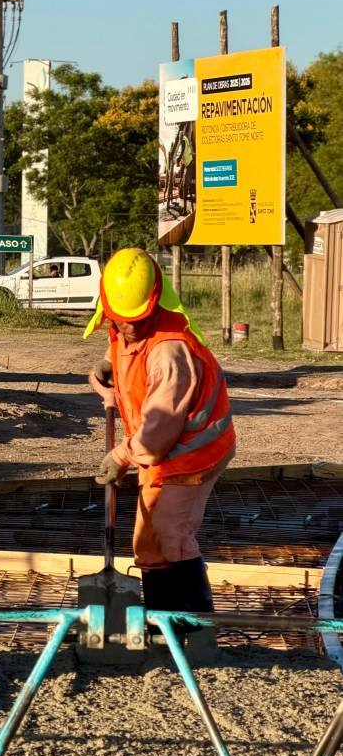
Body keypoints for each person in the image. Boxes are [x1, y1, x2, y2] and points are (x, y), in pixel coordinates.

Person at [86, 247, 235, 614]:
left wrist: (121, 457)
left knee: (171, 536)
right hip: (162, 452)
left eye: (137, 319)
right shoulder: (126, 325)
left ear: (153, 303)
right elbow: (125, 342)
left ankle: (197, 632)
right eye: (120, 320)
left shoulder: (169, 354)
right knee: (148, 544)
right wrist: (108, 368)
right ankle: (159, 625)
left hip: (191, 455)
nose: (128, 327)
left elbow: (157, 434)